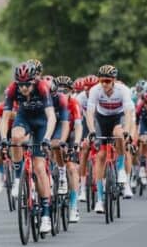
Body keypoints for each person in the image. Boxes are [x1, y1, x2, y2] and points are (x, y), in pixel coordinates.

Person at [0, 62, 58, 233]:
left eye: (27, 85)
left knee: (39, 167)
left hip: (42, 122)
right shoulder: (13, 89)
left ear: (34, 81)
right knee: (15, 137)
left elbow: (51, 117)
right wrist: (4, 138)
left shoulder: (42, 87)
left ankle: (46, 215)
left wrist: (47, 138)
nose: (24, 88)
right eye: (21, 85)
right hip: (24, 118)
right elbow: (4, 118)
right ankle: (19, 177)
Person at [86, 65, 135, 213]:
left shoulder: (123, 90)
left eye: (107, 81)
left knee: (119, 133)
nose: (104, 84)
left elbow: (127, 113)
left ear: (113, 80)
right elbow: (90, 112)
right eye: (102, 81)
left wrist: (127, 131)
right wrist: (92, 131)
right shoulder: (95, 90)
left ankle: (121, 170)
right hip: (102, 119)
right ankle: (100, 200)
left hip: (118, 117)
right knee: (100, 156)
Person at [55, 75, 83, 222]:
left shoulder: (74, 104)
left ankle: (73, 206)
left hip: (71, 135)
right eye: (59, 91)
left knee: (72, 168)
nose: (62, 94)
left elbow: (78, 126)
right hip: (56, 135)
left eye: (65, 91)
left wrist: (77, 143)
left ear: (71, 92)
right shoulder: (53, 102)